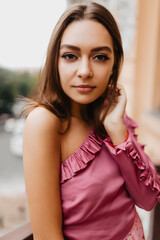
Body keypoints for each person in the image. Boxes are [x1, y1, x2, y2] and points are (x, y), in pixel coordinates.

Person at [21, 2, 160, 240]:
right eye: (70, 56)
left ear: (114, 64)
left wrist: (117, 129)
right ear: (56, 61)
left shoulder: (114, 113)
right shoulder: (44, 123)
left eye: (99, 57)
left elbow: (148, 199)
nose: (85, 70)